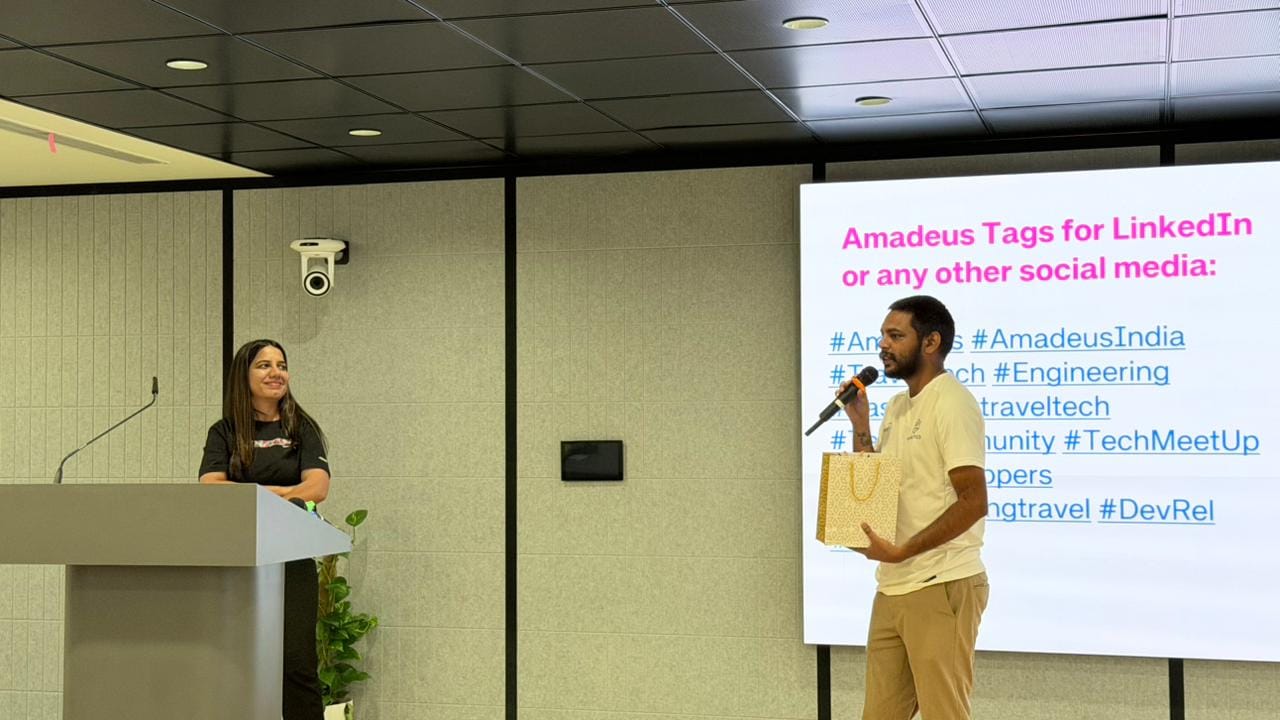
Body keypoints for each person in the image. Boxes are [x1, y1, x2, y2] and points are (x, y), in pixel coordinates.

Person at [838, 295, 989, 720]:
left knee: (944, 713)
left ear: (930, 342)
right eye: (882, 336)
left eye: (895, 335)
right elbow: (876, 487)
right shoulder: (897, 406)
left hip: (941, 581)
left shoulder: (952, 402)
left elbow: (974, 501)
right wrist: (861, 425)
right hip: (893, 585)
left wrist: (903, 550)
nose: (883, 345)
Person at [198, 339, 330, 720]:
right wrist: (279, 493)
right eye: (264, 365)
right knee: (236, 662)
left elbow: (317, 487)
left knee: (297, 663)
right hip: (238, 560)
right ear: (244, 375)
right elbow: (211, 485)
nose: (276, 373)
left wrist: (258, 494)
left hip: (292, 559)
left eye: (281, 365)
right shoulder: (224, 432)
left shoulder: (302, 428)